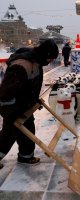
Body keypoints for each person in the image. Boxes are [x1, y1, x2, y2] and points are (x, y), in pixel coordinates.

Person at [0, 39, 59, 169]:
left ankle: (25, 156)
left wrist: (34, 101)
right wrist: (11, 112)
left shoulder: (36, 62)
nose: (50, 62)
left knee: (28, 129)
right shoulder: (21, 65)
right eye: (50, 59)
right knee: (8, 134)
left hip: (24, 105)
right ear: (45, 54)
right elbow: (6, 93)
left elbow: (29, 86)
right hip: (12, 107)